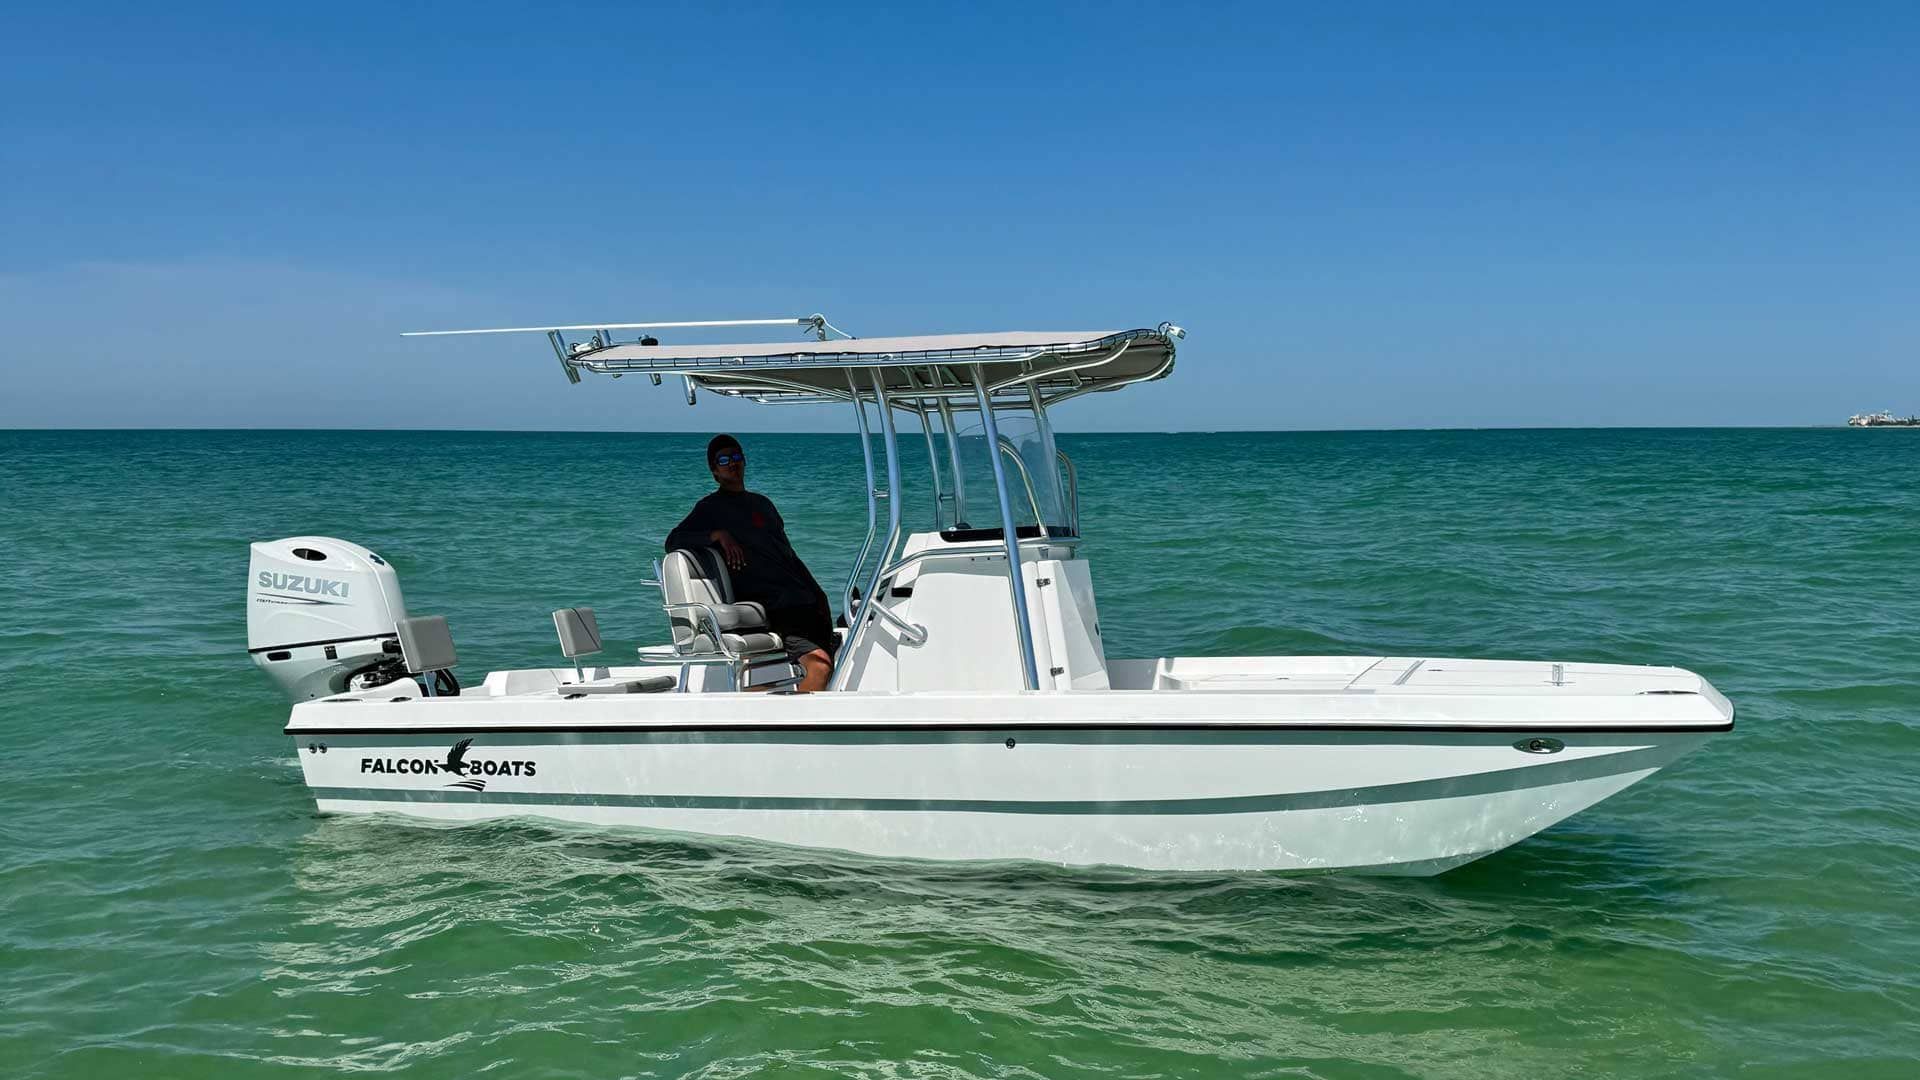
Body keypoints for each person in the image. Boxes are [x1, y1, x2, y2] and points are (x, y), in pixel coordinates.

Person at [665, 435, 836, 692]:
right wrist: (716, 535)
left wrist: (817, 591)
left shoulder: (763, 504)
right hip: (774, 606)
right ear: (714, 470)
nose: (732, 463)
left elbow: (788, 555)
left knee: (836, 655)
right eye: (724, 460)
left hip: (802, 600)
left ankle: (763, 705)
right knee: (820, 665)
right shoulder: (710, 508)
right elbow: (673, 540)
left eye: (736, 457)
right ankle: (797, 728)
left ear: (744, 461)